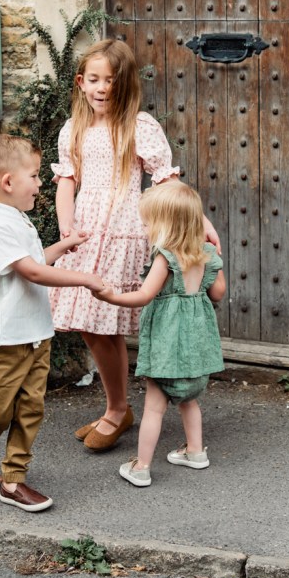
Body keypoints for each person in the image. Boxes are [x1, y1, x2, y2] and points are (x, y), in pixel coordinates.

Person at [49, 37, 219, 452]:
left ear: (124, 85)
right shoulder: (73, 129)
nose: (101, 88)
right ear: (80, 82)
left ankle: (118, 409)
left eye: (110, 80)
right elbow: (67, 182)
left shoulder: (139, 126)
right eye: (93, 79)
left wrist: (200, 221)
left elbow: (166, 181)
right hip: (86, 235)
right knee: (90, 327)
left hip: (127, 233)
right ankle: (118, 407)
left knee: (107, 325)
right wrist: (66, 225)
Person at [0, 132, 103, 512]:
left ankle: (13, 480)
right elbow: (33, 274)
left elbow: (34, 261)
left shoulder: (19, 220)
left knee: (30, 409)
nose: (41, 183)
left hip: (36, 335)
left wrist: (63, 246)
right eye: (36, 176)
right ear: (8, 182)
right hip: (3, 340)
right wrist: (86, 279)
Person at [95, 181, 226, 487]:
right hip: (195, 345)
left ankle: (141, 467)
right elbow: (218, 293)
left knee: (155, 406)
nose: (144, 227)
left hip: (168, 344)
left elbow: (144, 295)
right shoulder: (207, 253)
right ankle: (195, 452)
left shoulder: (165, 257)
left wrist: (110, 296)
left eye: (147, 222)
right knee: (189, 401)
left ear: (165, 225)